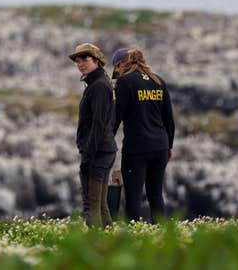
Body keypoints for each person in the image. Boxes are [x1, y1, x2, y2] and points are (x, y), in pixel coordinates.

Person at [111, 47, 175, 223]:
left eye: (116, 68)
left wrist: (106, 142)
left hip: (137, 148)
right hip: (160, 147)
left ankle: (134, 237)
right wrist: (169, 146)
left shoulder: (125, 82)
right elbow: (169, 119)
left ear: (122, 64)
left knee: (134, 196)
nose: (116, 72)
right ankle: (161, 235)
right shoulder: (159, 81)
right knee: (156, 195)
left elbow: (116, 117)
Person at [69, 43, 117, 227]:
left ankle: (96, 246)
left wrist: (89, 153)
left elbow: (98, 123)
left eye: (85, 59)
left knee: (92, 204)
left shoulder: (98, 86)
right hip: (104, 149)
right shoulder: (99, 83)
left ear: (96, 61)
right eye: (77, 60)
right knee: (101, 204)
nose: (80, 64)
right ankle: (109, 242)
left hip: (98, 151)